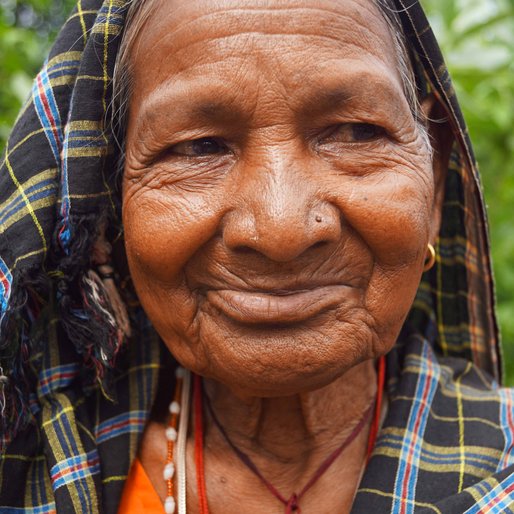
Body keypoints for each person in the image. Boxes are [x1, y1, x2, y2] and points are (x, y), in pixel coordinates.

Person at [0, 0, 512, 512]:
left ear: (434, 175)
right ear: (109, 197)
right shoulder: (26, 469)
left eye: (356, 132)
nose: (281, 230)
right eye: (198, 147)